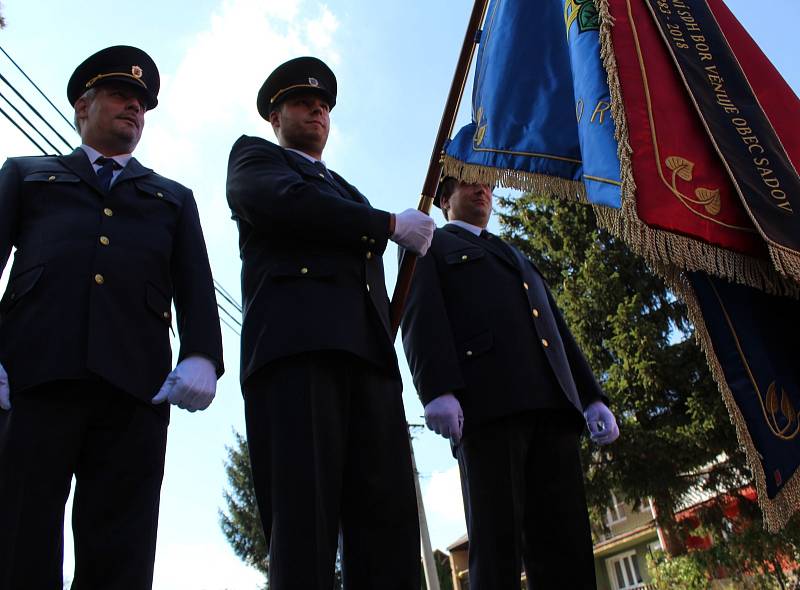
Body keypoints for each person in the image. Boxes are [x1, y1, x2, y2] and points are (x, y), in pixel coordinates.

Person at [0, 45, 224, 590]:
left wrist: (202, 357)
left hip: (134, 390)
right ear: (84, 105)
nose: (134, 108)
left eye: (142, 103)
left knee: (120, 549)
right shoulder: (28, 175)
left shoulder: (172, 197)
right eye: (121, 95)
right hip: (35, 378)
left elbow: (196, 286)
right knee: (18, 538)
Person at [226, 56, 434, 589]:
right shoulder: (255, 159)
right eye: (302, 103)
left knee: (387, 526)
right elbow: (285, 204)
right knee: (305, 526)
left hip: (368, 361)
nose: (317, 111)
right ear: (275, 116)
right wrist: (386, 224)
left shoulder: (348, 190)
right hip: (298, 355)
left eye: (323, 106)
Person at [401, 177, 619, 589]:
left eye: (486, 184)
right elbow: (420, 317)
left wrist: (591, 396)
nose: (482, 191)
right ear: (445, 199)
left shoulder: (516, 256)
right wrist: (436, 389)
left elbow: (558, 331)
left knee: (565, 543)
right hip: (489, 409)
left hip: (554, 409)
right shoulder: (431, 245)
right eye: (468, 185)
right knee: (497, 543)